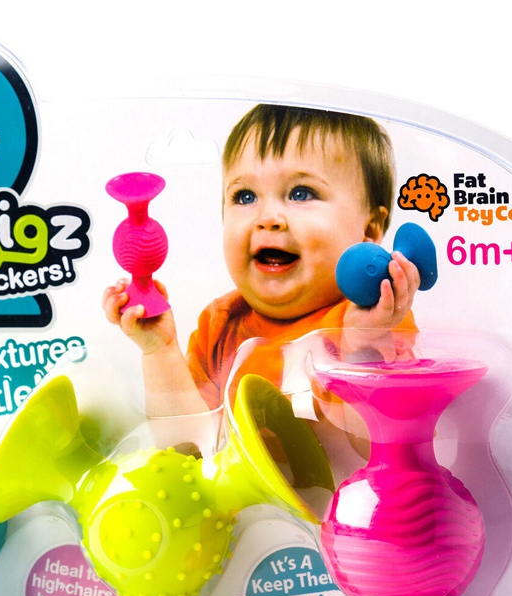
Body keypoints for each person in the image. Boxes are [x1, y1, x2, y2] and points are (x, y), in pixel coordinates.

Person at [103, 104, 419, 417]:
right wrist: (160, 350)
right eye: (246, 196)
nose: (268, 218)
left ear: (369, 229)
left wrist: (363, 345)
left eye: (300, 193)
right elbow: (188, 440)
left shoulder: (375, 318)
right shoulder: (220, 326)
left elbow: (374, 438)